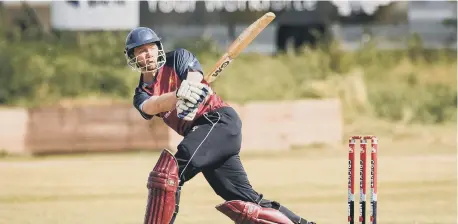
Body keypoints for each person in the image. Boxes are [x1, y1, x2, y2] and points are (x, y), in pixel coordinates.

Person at [124, 27, 316, 224]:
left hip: (217, 121)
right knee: (247, 203)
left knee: (167, 174)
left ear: (159, 48)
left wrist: (190, 88)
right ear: (133, 57)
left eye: (151, 48)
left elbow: (194, 77)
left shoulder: (178, 58)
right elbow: (152, 105)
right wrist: (177, 95)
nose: (148, 54)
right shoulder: (141, 93)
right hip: (206, 137)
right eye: (141, 51)